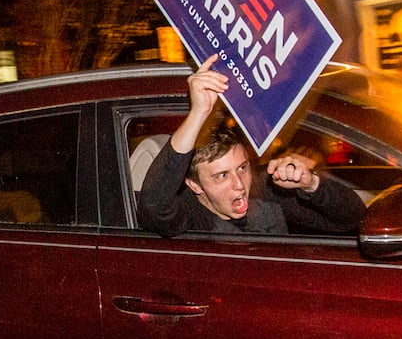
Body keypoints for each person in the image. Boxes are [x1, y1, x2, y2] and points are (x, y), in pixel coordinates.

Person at [136, 53, 366, 237]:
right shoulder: (191, 215)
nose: (239, 185)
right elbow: (154, 206)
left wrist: (312, 184)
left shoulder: (266, 192)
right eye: (221, 176)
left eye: (242, 168)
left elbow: (351, 219)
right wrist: (199, 112)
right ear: (195, 185)